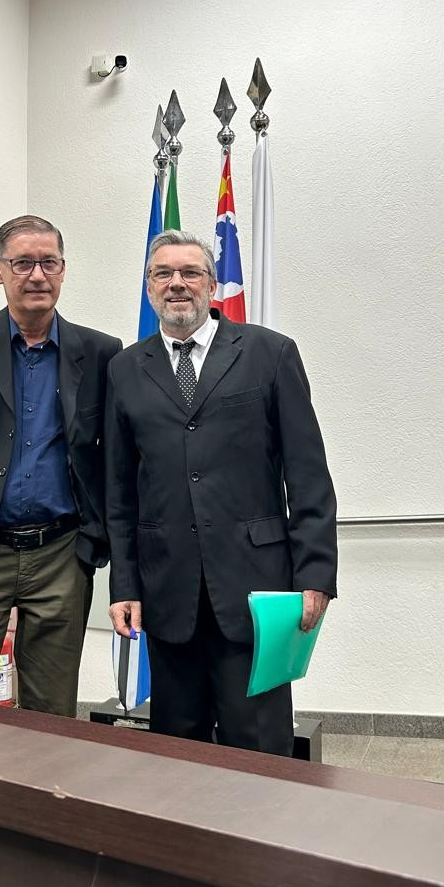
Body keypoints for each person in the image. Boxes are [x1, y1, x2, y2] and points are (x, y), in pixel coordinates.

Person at [105, 229, 337, 756]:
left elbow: (308, 474)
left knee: (258, 747)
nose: (177, 283)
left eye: (190, 273)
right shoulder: (124, 369)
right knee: (178, 752)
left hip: (256, 589)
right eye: (163, 274)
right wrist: (124, 585)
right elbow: (119, 490)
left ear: (212, 285)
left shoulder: (270, 354)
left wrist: (315, 574)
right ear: (149, 288)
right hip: (168, 592)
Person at [0, 214, 122, 716]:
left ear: (63, 270)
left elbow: (112, 456)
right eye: (23, 263)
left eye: (48, 263)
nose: (37, 275)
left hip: (61, 554)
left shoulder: (101, 352)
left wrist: (95, 541)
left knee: (51, 714)